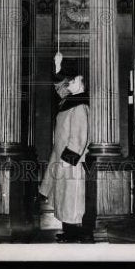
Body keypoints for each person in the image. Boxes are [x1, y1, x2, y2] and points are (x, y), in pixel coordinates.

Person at [39, 52, 91, 243]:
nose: (70, 83)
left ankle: (74, 233)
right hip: (63, 159)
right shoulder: (69, 100)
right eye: (74, 80)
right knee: (63, 197)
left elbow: (78, 137)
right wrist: (58, 66)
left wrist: (68, 161)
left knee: (71, 199)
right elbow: (60, 88)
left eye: (76, 80)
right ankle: (68, 231)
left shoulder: (79, 105)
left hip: (72, 162)